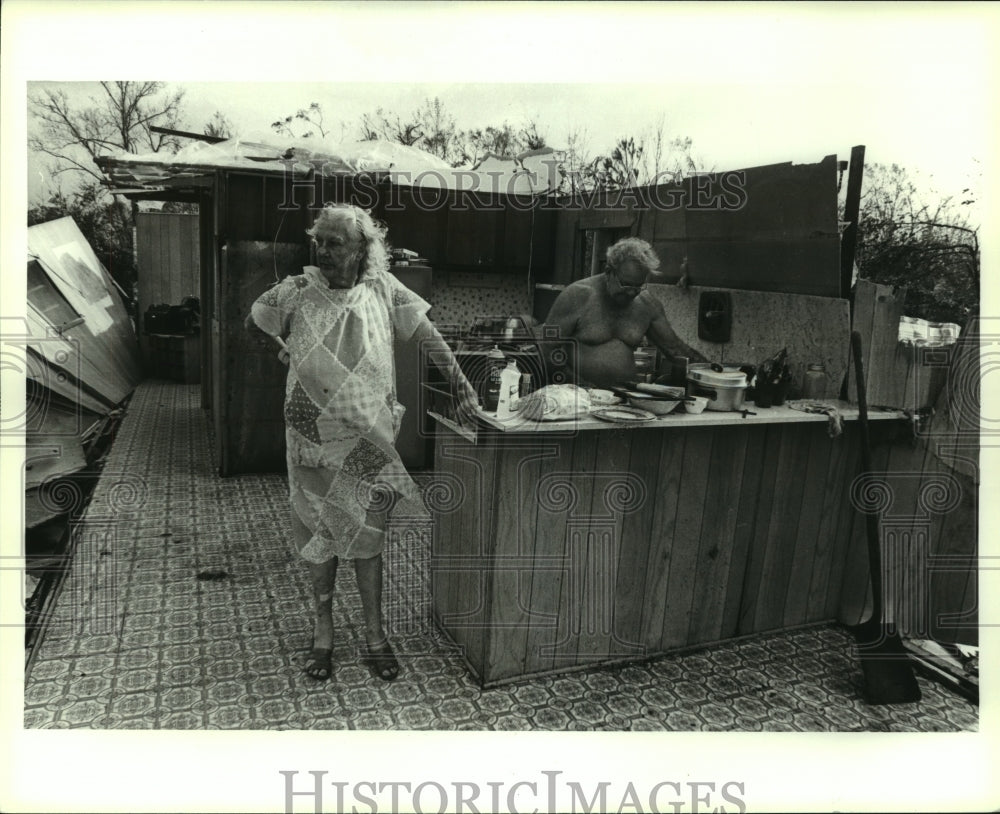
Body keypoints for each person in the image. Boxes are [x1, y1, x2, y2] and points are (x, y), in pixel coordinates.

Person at [245, 203, 479, 682]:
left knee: (368, 536)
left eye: (336, 243)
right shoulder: (297, 290)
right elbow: (254, 322)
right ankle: (323, 635)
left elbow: (429, 336)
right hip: (311, 438)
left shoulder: (383, 290)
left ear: (362, 249)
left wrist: (459, 382)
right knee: (318, 534)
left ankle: (376, 638)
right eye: (320, 241)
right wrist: (278, 347)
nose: (324, 251)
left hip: (369, 437)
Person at [542, 237, 707, 388]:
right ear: (609, 272)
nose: (632, 293)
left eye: (639, 286)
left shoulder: (647, 304)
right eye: (626, 285)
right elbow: (547, 349)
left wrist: (713, 372)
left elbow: (675, 350)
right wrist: (580, 387)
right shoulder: (576, 295)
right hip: (579, 398)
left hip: (627, 399)